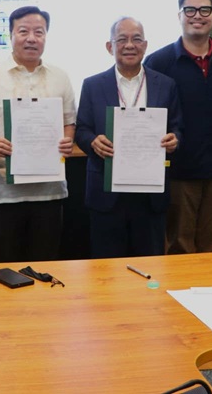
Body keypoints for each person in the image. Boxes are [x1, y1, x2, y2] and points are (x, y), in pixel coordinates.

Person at [0, 6, 76, 263]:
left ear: (46, 36)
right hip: (3, 194)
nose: (31, 38)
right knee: (4, 269)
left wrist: (67, 140)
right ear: (10, 34)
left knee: (44, 267)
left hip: (49, 193)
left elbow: (69, 122)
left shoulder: (61, 77)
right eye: (23, 31)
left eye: (39, 32)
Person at [144, 0, 212, 253]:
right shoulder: (159, 61)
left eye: (204, 10)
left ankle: (211, 295)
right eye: (190, 10)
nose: (197, 16)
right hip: (178, 172)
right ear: (180, 16)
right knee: (179, 244)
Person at [75, 17, 181, 257]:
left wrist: (175, 140)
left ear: (145, 45)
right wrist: (92, 141)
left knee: (150, 267)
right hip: (106, 193)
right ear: (110, 46)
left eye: (136, 39)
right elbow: (82, 129)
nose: (129, 45)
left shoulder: (166, 85)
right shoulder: (92, 85)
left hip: (150, 194)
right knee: (106, 270)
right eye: (122, 39)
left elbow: (177, 127)